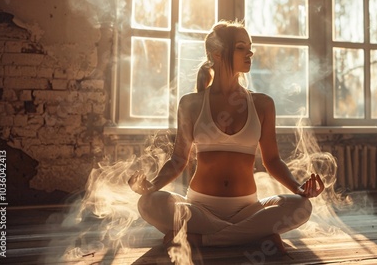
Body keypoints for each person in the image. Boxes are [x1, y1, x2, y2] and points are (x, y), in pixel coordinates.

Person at [128, 20, 325, 253]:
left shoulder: (262, 104)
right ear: (218, 54)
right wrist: (151, 186)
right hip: (199, 208)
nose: (250, 52)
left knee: (300, 206)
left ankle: (203, 239)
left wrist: (298, 188)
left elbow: (272, 161)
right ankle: (250, 236)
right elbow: (178, 160)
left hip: (248, 208)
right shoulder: (191, 104)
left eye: (250, 46)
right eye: (241, 47)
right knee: (149, 203)